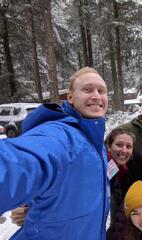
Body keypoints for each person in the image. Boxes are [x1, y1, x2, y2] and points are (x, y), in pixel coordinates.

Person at [0, 67, 110, 239]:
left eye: (101, 91)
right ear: (71, 97)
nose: (96, 96)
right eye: (87, 90)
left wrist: (32, 201)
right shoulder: (59, 137)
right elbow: (19, 164)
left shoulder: (95, 142)